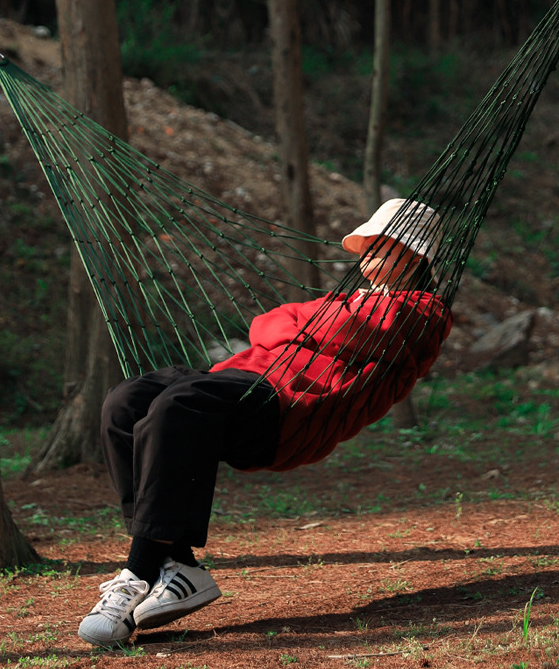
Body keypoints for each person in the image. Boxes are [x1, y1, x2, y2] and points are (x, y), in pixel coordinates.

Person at [77, 198, 453, 647]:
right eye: (366, 245)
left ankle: (136, 574)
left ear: (412, 255)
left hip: (287, 410)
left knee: (179, 406)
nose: (366, 255)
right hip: (239, 378)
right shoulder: (347, 302)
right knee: (126, 402)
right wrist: (306, 323)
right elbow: (265, 324)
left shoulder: (425, 312)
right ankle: (178, 564)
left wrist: (301, 322)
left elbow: (336, 330)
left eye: (379, 244)